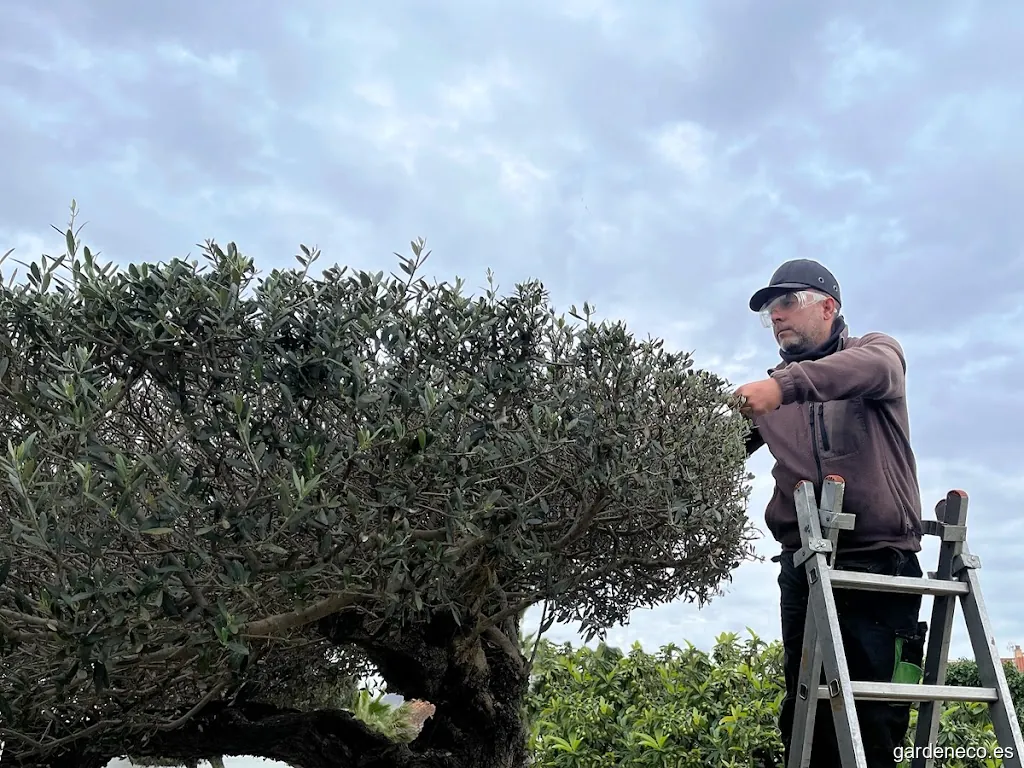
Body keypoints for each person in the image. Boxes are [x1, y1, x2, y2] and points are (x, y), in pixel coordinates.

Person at [735, 258, 927, 767]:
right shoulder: (772, 397)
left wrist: (784, 387)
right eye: (769, 311)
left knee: (876, 723)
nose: (776, 316)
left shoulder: (875, 352)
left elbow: (878, 369)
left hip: (880, 566)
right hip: (804, 568)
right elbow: (704, 451)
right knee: (805, 719)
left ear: (828, 307)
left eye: (787, 302)